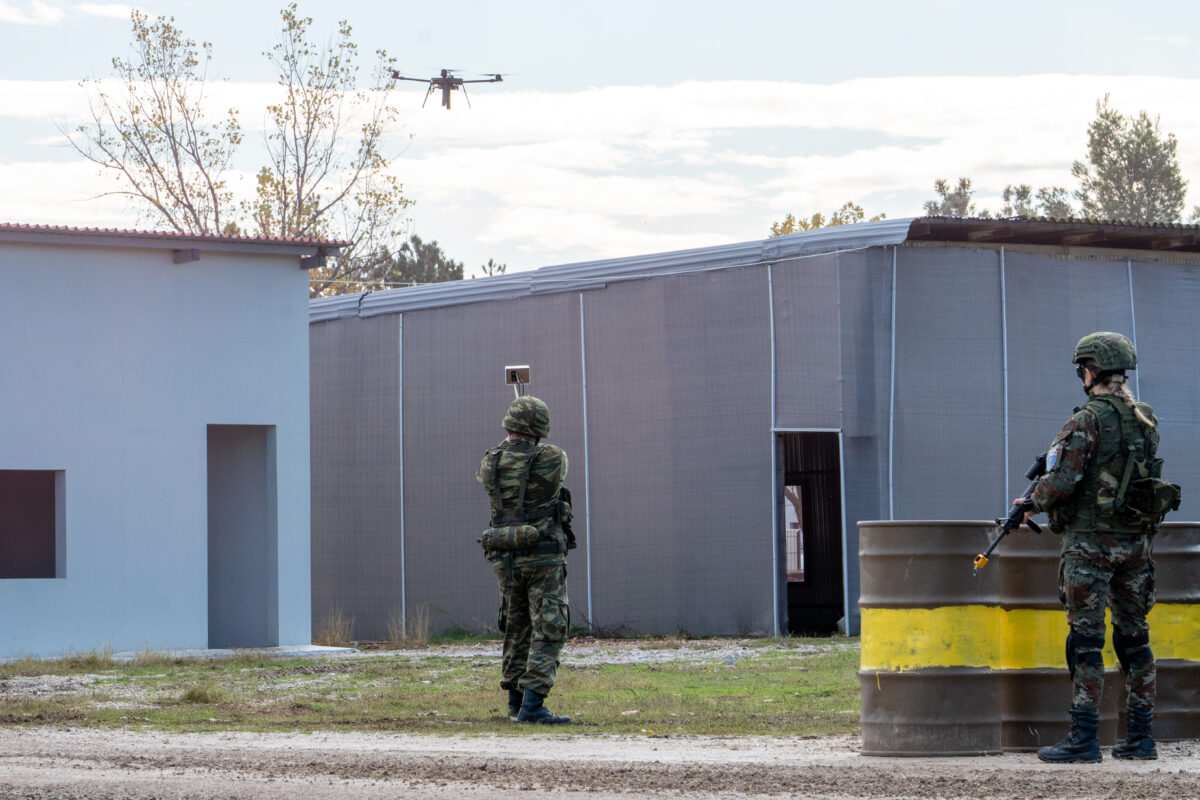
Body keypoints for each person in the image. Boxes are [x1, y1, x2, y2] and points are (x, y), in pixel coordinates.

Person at [1025, 332, 1163, 763]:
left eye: (1082, 369)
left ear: (1091, 371)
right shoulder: (1144, 418)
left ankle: (1084, 739)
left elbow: (1063, 481)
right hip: (1136, 546)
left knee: (1085, 642)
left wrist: (1030, 504)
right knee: (1134, 640)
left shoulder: (1087, 419)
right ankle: (1141, 738)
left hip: (1090, 548)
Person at [477, 395, 573, 724]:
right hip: (542, 558)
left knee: (516, 628)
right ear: (539, 427)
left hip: (505, 557)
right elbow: (555, 476)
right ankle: (532, 707)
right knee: (549, 627)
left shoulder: (490, 462)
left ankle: (516, 704)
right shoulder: (552, 458)